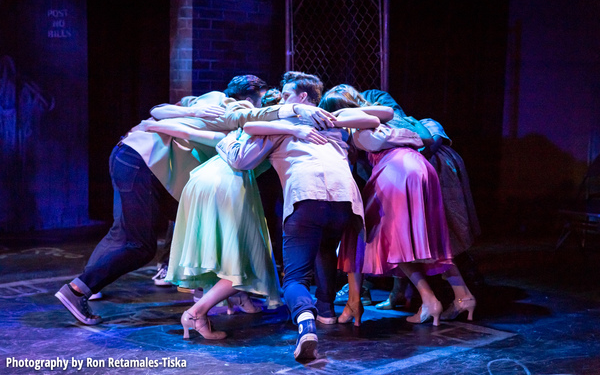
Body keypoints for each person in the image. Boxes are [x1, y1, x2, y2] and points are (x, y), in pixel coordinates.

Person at [55, 75, 333, 326]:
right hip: (144, 162)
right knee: (139, 244)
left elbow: (156, 110)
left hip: (130, 155)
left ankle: (212, 294)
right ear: (251, 99)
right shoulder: (236, 108)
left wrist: (189, 111)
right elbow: (252, 116)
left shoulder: (207, 99)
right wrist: (294, 110)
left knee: (148, 228)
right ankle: (79, 288)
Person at [217, 71, 381, 361]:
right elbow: (374, 120)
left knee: (294, 277)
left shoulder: (282, 124)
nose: (281, 100)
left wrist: (230, 141)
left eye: (286, 94)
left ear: (303, 98)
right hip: (344, 202)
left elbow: (243, 158)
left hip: (307, 197)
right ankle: (327, 312)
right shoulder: (332, 122)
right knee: (325, 247)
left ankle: (306, 323)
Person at [320, 85, 476, 326]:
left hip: (396, 173)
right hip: (422, 170)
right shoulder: (395, 120)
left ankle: (426, 299)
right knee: (424, 239)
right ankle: (461, 295)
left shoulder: (361, 129)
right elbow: (423, 137)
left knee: (379, 236)